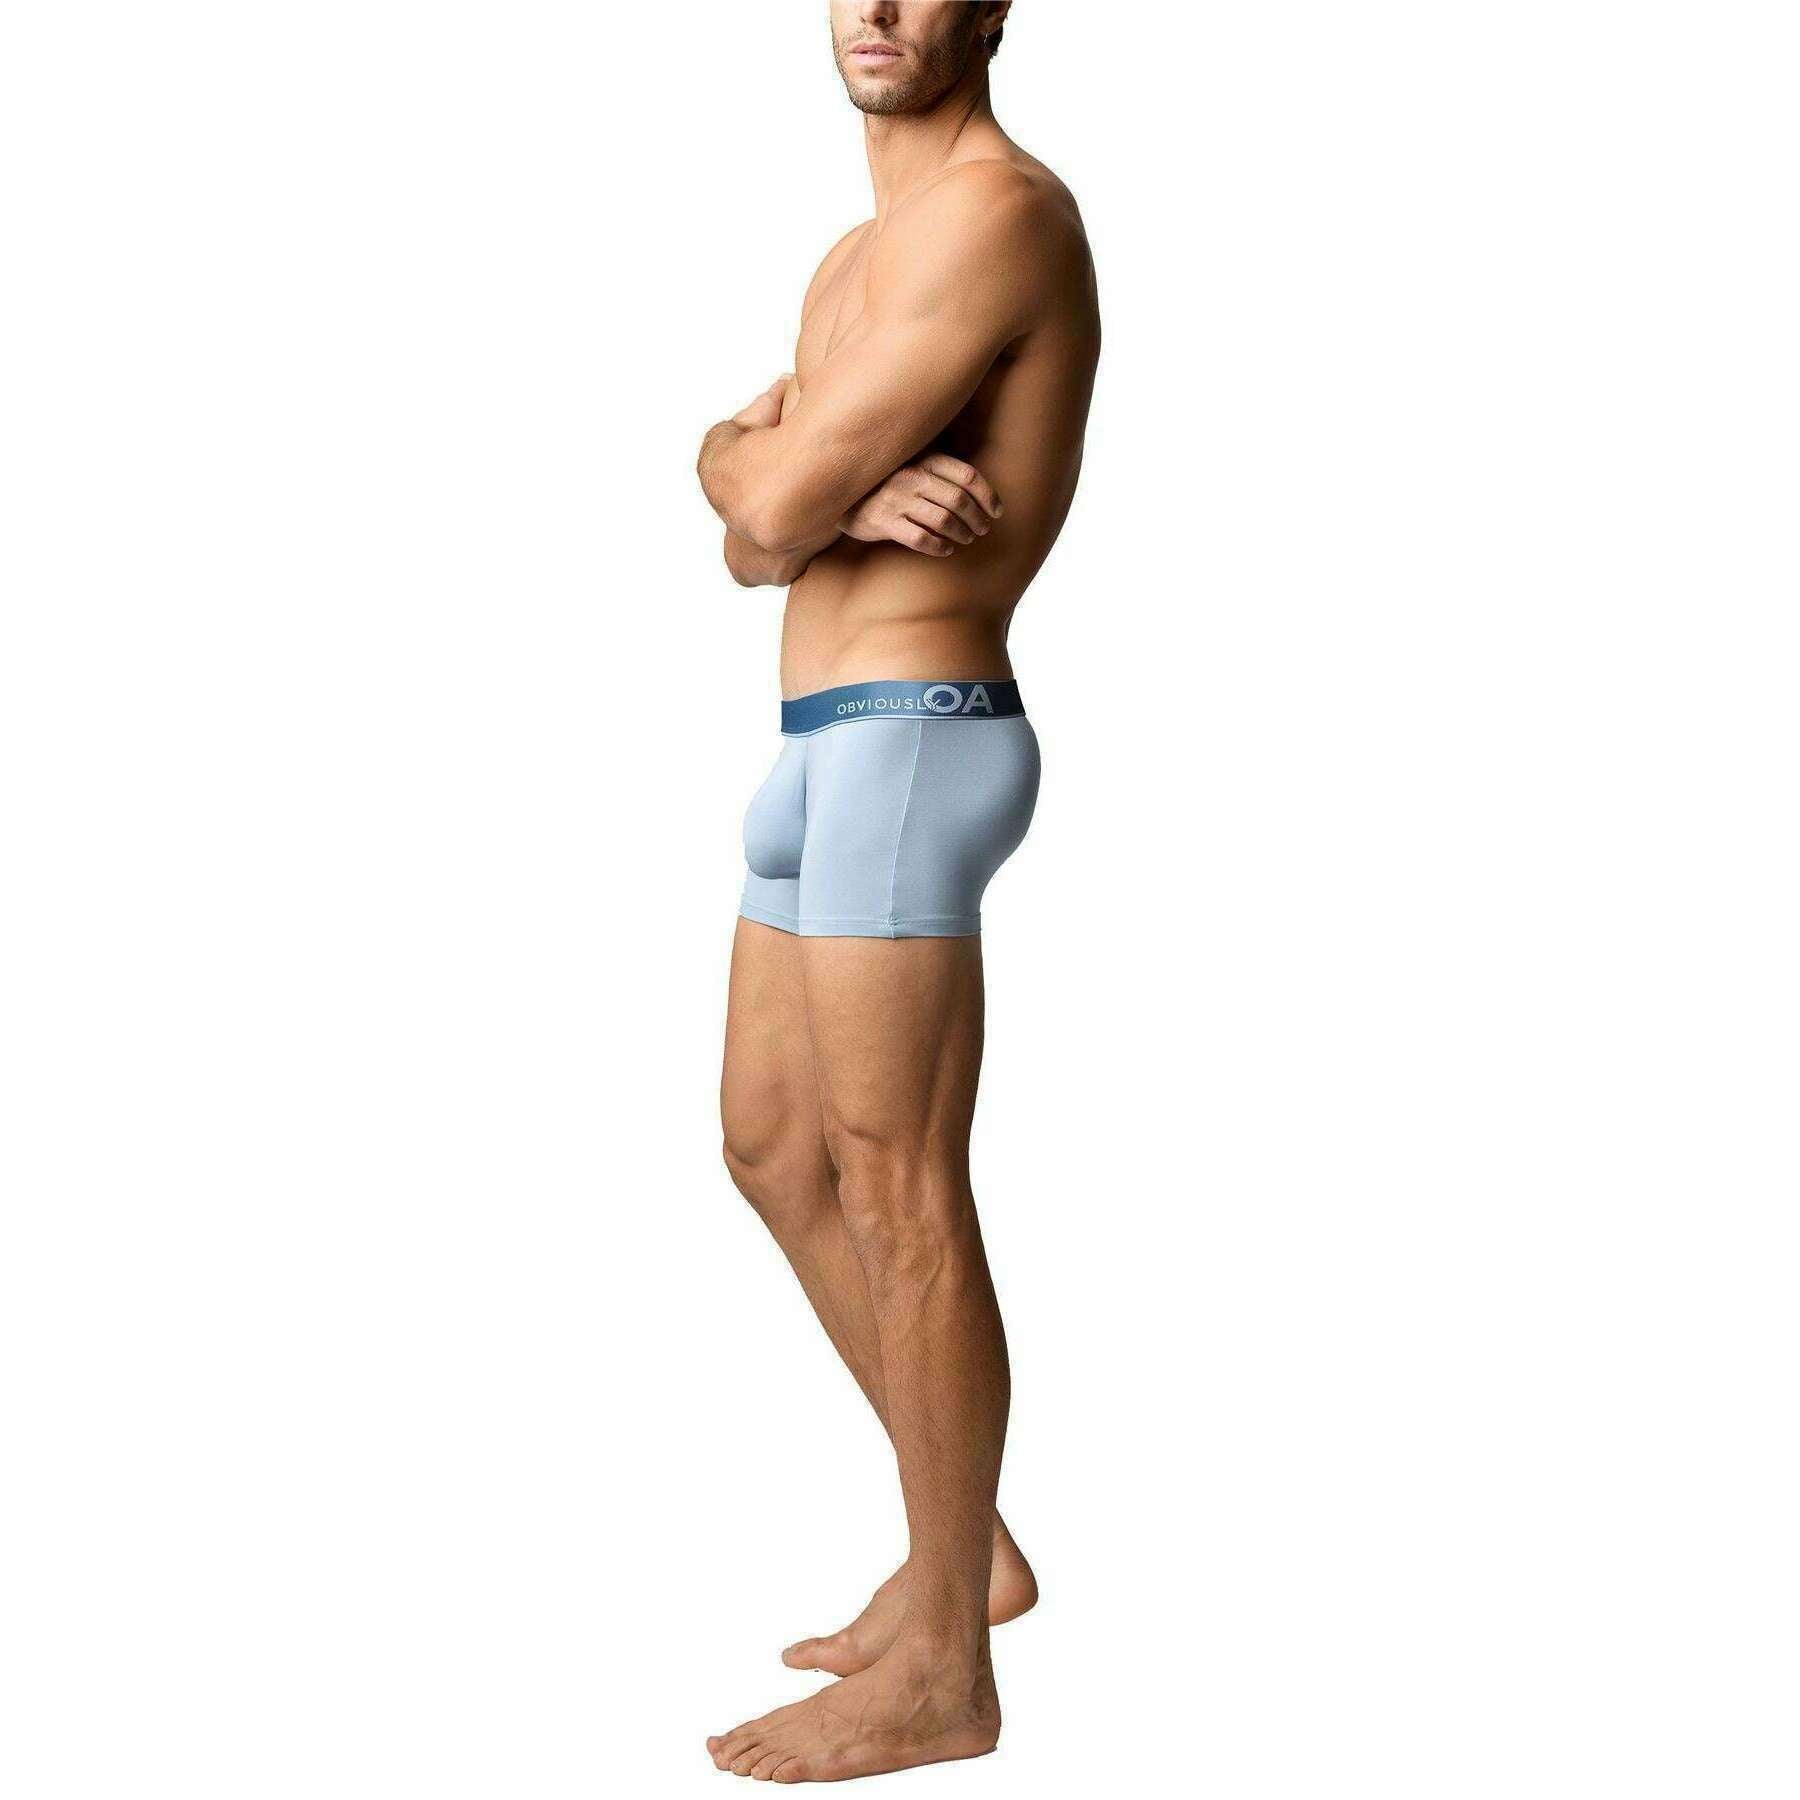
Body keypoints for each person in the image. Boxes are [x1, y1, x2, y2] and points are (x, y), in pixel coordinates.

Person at [696, 2, 1099, 1781]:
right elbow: (750, 521)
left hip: (915, 738)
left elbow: (771, 498)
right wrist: (786, 483)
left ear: (993, 7)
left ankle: (945, 1667)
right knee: (774, 1150)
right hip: (817, 743)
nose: (875, 6)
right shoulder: (853, 256)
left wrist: (790, 482)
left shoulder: (997, 214)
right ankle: (970, 1545)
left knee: (900, 1183)